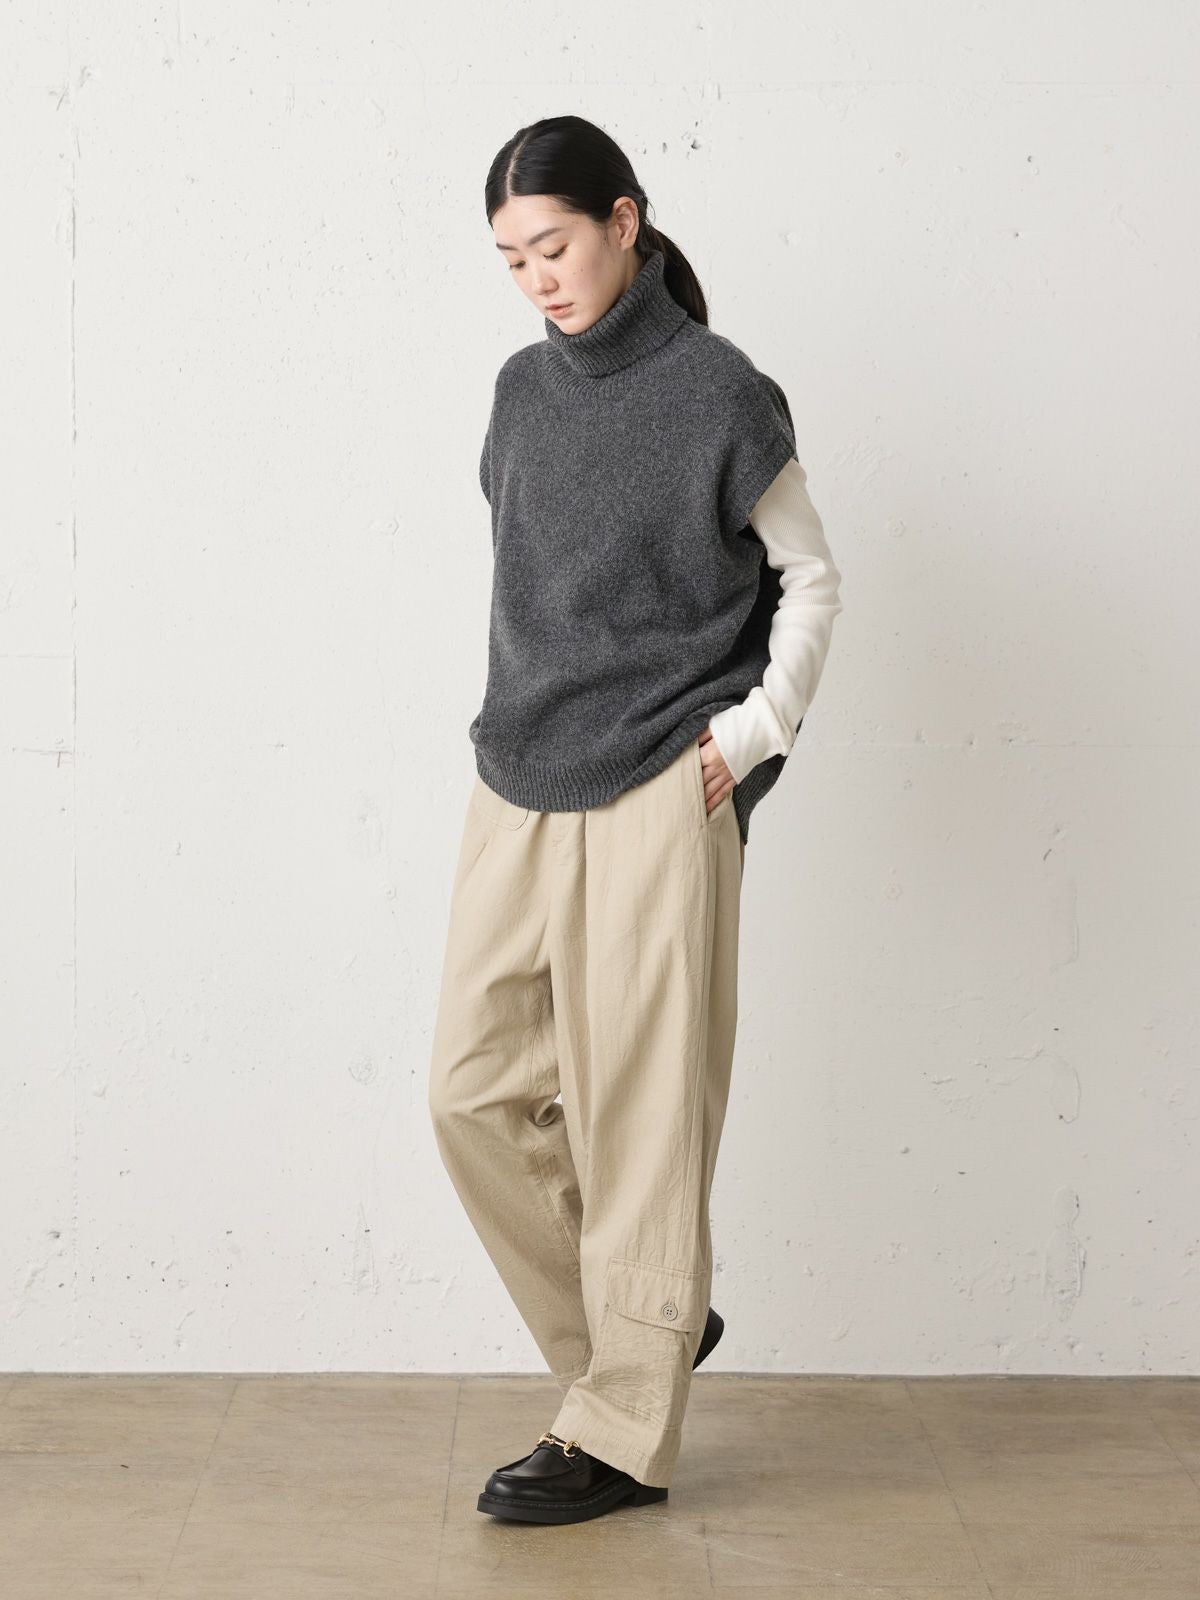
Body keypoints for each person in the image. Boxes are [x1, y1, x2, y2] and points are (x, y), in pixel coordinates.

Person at [428, 114, 844, 1526]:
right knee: (471, 1091)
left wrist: (749, 736)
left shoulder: (721, 392)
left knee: (642, 1111)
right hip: (518, 775)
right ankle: (649, 1328)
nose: (535, 279)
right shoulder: (519, 393)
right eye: (510, 259)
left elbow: (810, 579)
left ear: (625, 220)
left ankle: (620, 1430)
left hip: (668, 776)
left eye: (552, 245)